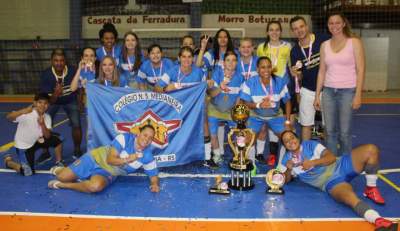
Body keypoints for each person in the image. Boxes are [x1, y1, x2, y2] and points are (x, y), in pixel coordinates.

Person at [279, 130, 397, 231]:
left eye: (292, 138)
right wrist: (288, 170)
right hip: (331, 182)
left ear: (297, 138)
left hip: (341, 165)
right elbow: (284, 180)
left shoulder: (311, 145)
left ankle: (371, 188)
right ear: (284, 145)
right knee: (350, 198)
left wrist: (313, 162)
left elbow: (330, 157)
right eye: (286, 141)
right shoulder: (286, 159)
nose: (291, 142)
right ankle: (377, 219)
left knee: (371, 149)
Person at [48, 125, 160, 193]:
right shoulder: (124, 138)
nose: (147, 139)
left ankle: (63, 185)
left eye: (150, 138)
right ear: (139, 134)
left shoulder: (148, 155)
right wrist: (128, 159)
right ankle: (58, 170)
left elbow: (153, 175)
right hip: (95, 158)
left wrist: (154, 184)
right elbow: (110, 160)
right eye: (145, 135)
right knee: (62, 176)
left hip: (108, 172)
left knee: (95, 187)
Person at [314, 13, 365, 156]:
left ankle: (345, 164)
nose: (334, 26)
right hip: (329, 92)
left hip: (348, 92)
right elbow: (322, 72)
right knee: (329, 131)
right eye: (331, 23)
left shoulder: (354, 42)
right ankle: (331, 163)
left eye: (337, 23)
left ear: (343, 24)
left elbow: (361, 69)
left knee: (345, 132)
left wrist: (358, 95)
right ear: (328, 26)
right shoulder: (324, 45)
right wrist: (317, 95)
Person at [256, 21, 295, 166]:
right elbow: (259, 66)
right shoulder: (261, 47)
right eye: (271, 30)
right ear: (267, 32)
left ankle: (278, 156)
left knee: (281, 122)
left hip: (281, 88)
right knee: (265, 124)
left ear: (280, 31)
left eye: (277, 30)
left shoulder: (287, 47)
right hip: (265, 88)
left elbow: (291, 67)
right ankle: (265, 154)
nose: (274, 32)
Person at [239, 57, 292, 164]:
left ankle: (283, 165)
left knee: (289, 138)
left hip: (276, 116)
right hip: (256, 115)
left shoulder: (279, 81)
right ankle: (251, 164)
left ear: (271, 68)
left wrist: (287, 121)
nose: (266, 70)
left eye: (268, 67)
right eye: (263, 67)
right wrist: (259, 105)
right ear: (257, 69)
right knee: (248, 139)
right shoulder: (250, 82)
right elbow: (244, 103)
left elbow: (287, 102)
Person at [289, 16, 330, 141]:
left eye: (301, 26)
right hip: (307, 91)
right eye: (295, 29)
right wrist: (295, 74)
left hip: (327, 90)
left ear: (306, 26)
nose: (299, 30)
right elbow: (300, 76)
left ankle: (330, 153)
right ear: (292, 32)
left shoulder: (323, 39)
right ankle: (305, 154)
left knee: (328, 125)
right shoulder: (295, 51)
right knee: (306, 124)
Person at [5, 93, 63, 176]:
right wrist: (23, 111)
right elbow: (9, 117)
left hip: (37, 141)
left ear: (48, 105)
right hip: (24, 145)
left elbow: (47, 136)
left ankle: (59, 162)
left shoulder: (47, 117)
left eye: (45, 103)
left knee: (58, 139)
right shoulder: (26, 114)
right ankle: (9, 162)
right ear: (35, 103)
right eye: (40, 102)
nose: (43, 105)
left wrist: (42, 124)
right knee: (27, 172)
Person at [39, 48, 82, 160]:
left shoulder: (72, 71)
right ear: (51, 61)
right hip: (53, 101)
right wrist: (56, 94)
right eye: (56, 60)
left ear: (65, 61)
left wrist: (80, 102)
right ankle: (45, 151)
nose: (59, 63)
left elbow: (80, 87)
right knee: (43, 123)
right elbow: (48, 100)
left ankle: (77, 149)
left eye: (61, 60)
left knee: (77, 124)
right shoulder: (47, 75)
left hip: (70, 99)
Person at [206, 51, 244, 167]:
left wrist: (235, 112)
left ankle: (239, 155)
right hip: (215, 108)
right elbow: (211, 94)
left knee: (238, 133)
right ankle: (217, 154)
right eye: (228, 60)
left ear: (237, 63)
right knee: (213, 133)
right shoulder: (216, 74)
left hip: (231, 109)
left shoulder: (240, 77)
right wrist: (221, 86)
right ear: (223, 62)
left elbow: (240, 97)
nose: (231, 63)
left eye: (233, 60)